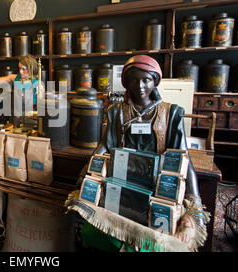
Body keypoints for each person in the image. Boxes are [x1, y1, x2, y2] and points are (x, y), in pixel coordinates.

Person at [77, 55, 205, 251]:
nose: (140, 85)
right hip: (121, 182)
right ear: (126, 82)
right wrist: (85, 173)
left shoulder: (171, 114)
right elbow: (105, 145)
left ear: (155, 80)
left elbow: (183, 158)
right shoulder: (116, 112)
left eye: (146, 79)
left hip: (157, 187)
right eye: (134, 79)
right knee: (98, 233)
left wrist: (195, 204)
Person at [0, 55, 44, 127]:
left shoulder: (37, 84)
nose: (20, 71)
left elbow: (41, 109)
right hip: (15, 119)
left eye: (24, 69)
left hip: (29, 122)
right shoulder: (17, 78)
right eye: (19, 68)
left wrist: (40, 93)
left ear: (31, 69)